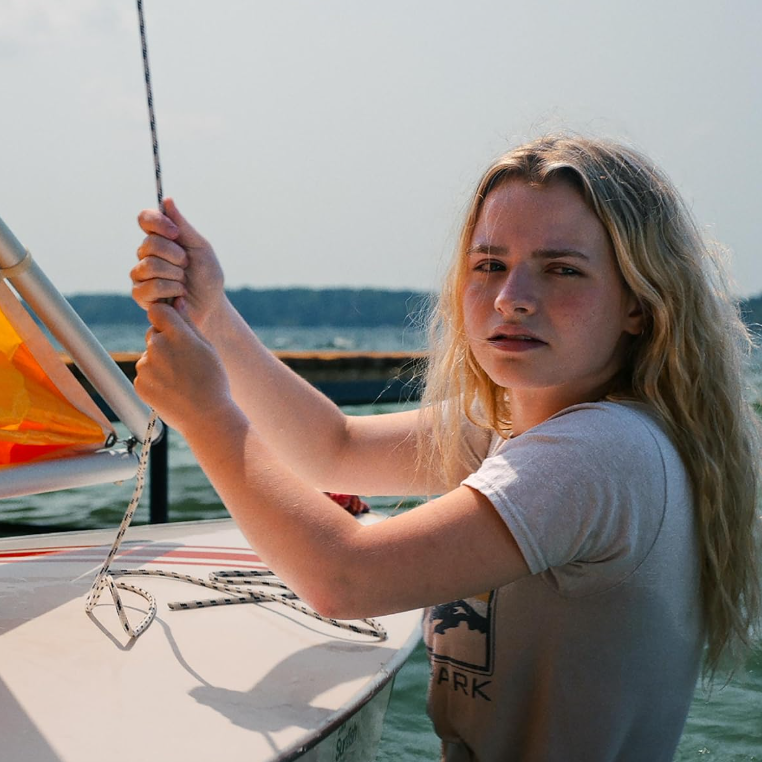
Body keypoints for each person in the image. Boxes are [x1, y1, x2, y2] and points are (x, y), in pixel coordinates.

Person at [130, 134, 761, 761]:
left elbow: (345, 578)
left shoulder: (598, 453)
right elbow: (334, 448)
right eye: (489, 265)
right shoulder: (522, 425)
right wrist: (211, 312)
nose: (512, 297)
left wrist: (207, 416)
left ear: (639, 305)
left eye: (562, 269)